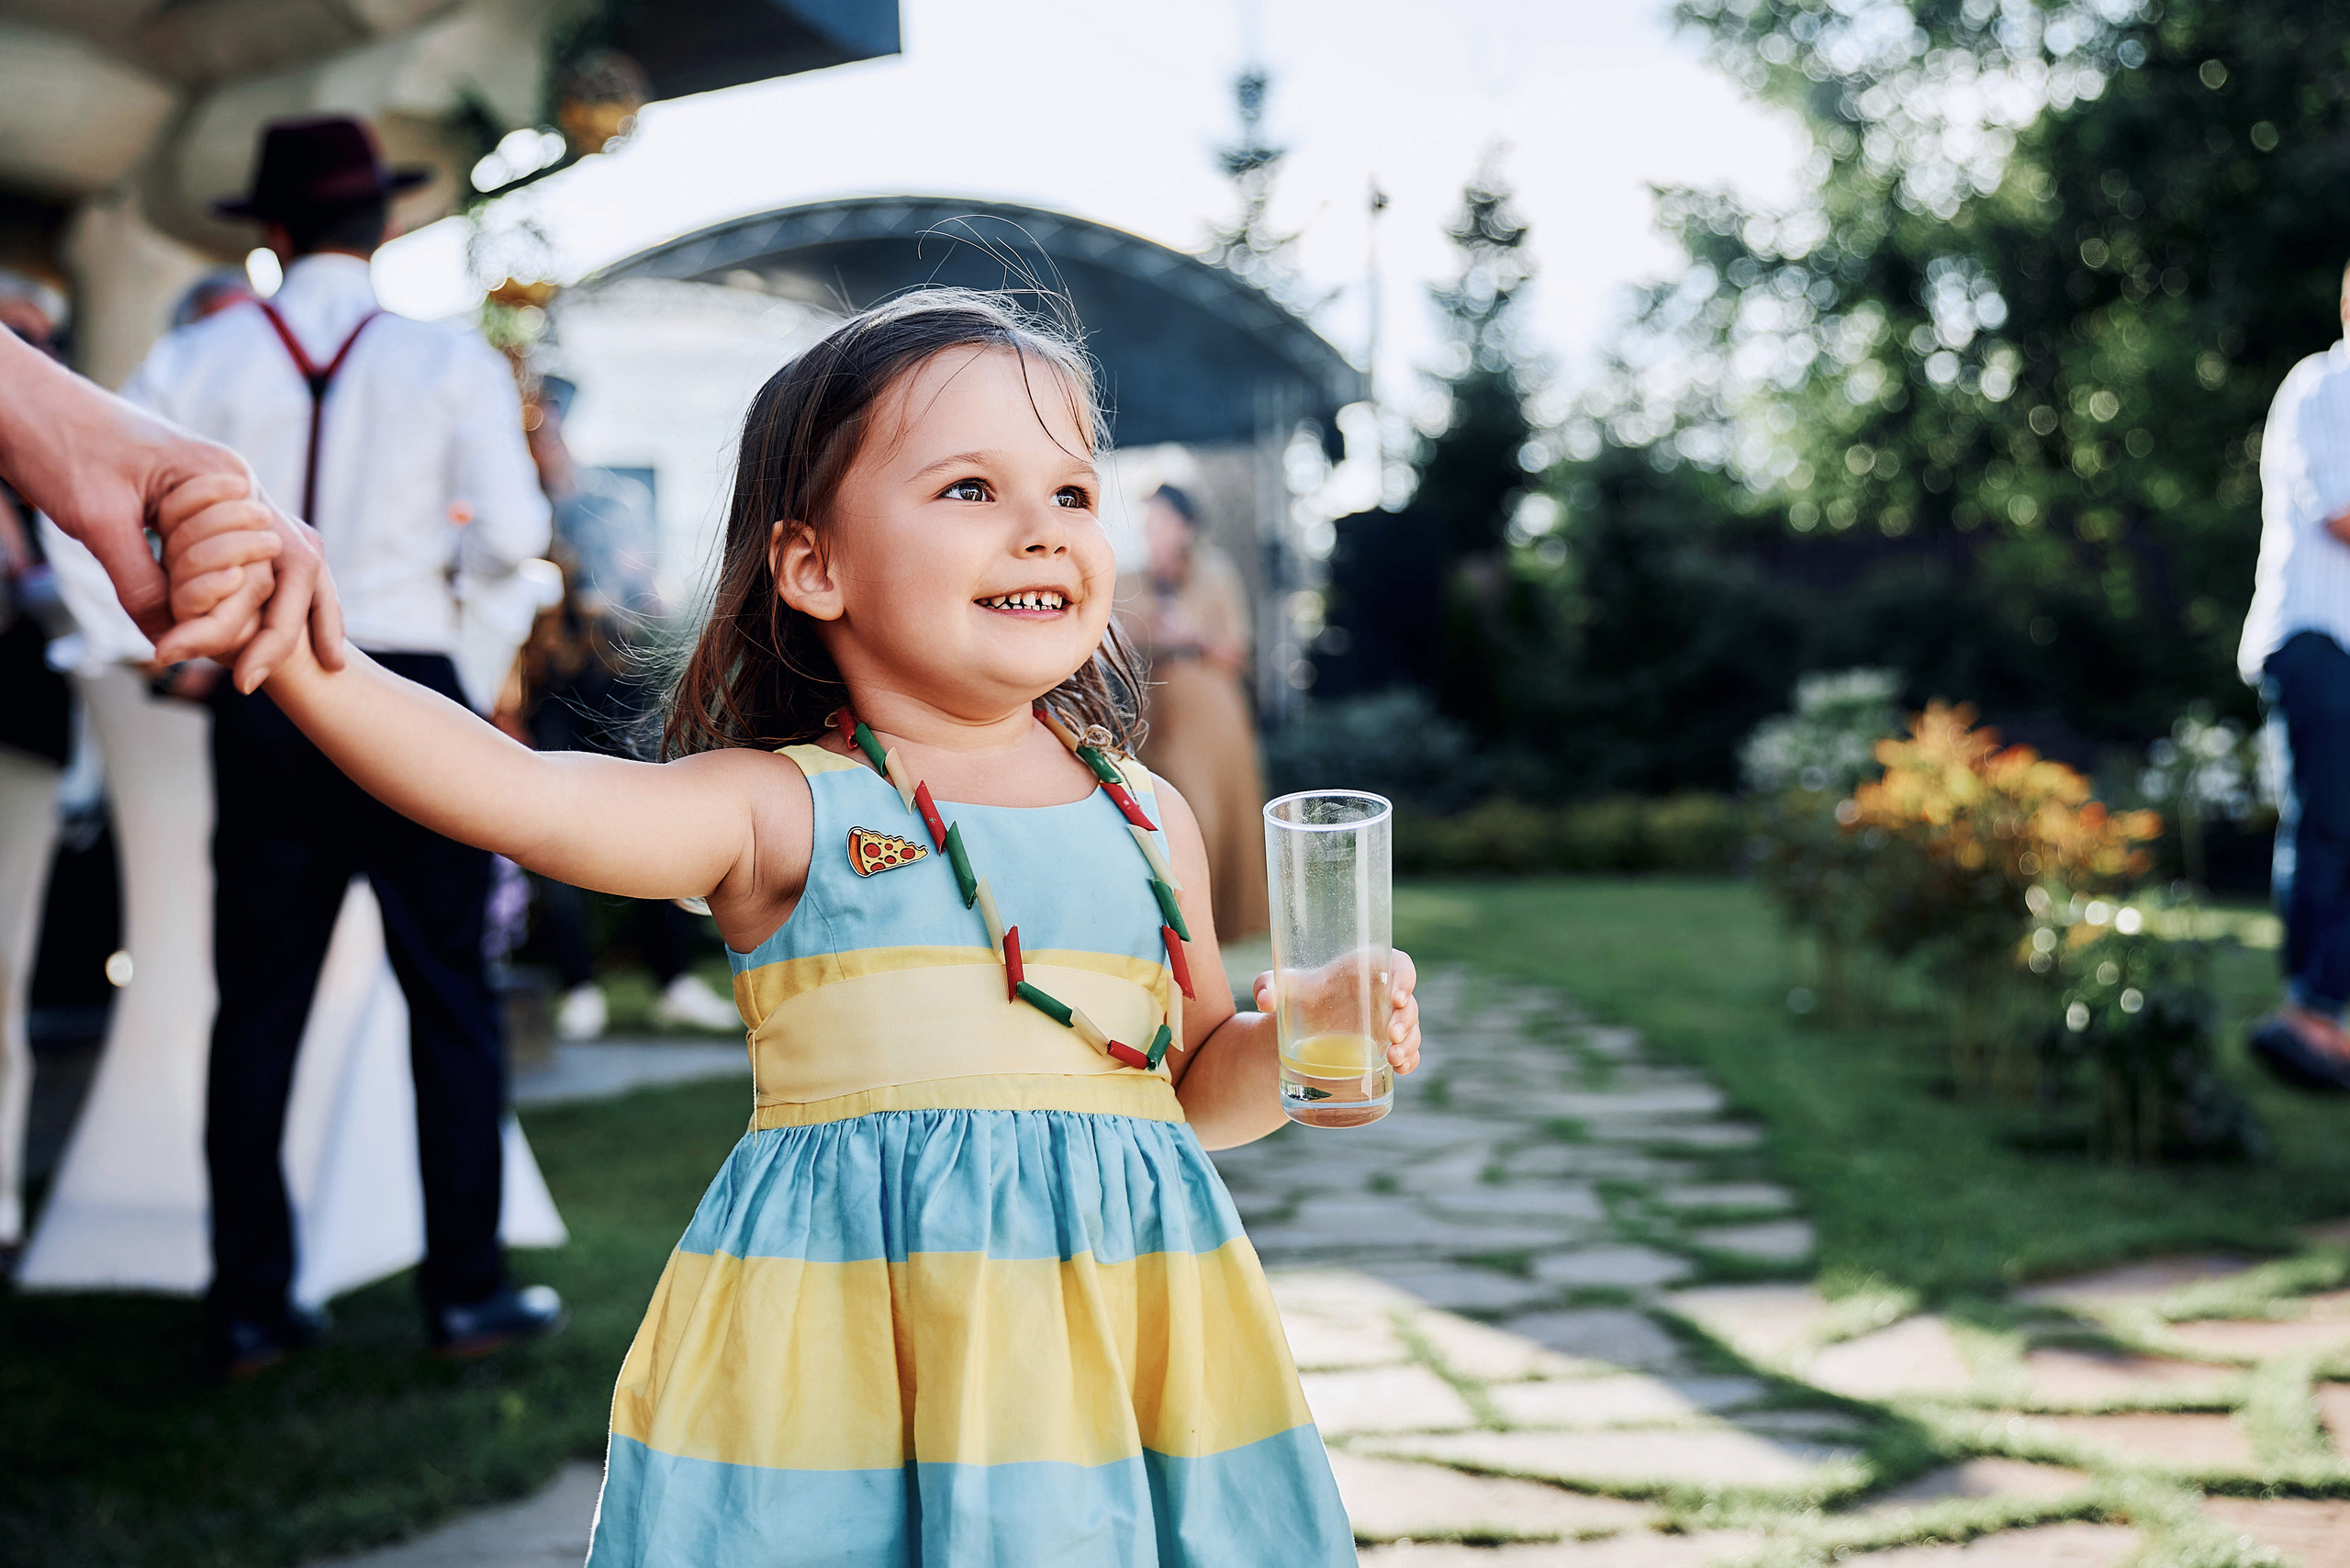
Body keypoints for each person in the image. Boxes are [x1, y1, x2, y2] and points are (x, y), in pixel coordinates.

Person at [171, 288, 1423, 1562]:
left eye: (1073, 493)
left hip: (1122, 1355)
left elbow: (1194, 1093)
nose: (1043, 530)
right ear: (814, 565)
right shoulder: (781, 809)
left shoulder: (1148, 815)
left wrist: (1302, 1048)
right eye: (971, 491)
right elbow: (522, 796)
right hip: (848, 1373)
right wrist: (305, 651)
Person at [127, 114, 560, 1372]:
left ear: (268, 230)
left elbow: (99, 530)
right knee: (453, 1001)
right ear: (381, 224)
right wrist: (465, 642)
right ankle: (467, 1293)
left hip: (265, 684)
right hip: (411, 685)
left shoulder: (197, 353)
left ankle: (249, 1303)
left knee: (254, 1009)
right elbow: (510, 538)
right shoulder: (445, 360)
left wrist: (176, 650)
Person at [518, 376, 737, 1037]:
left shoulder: (613, 501)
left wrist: (638, 586)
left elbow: (655, 595)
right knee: (553, 832)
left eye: (545, 423)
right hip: (547, 692)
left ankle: (671, 979)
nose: (539, 437)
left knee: (655, 826)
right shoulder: (513, 508)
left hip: (619, 682)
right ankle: (579, 985)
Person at [2244, 260, 2350, 1093]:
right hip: (2315, 641)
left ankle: (2323, 1014)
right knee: (2329, 825)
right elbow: (2342, 515)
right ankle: (2309, 1012)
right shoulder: (2324, 386)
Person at [1128, 483, 1272, 939]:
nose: (1152, 527)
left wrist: (1192, 635)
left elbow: (1237, 654)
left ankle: (1208, 929)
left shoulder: (1214, 574)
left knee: (1204, 814)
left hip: (1211, 714)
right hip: (1158, 714)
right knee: (1161, 815)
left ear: (1185, 526)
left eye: (1162, 518)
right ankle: (1165, 925)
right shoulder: (1132, 579)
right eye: (1149, 518)